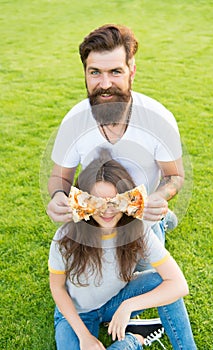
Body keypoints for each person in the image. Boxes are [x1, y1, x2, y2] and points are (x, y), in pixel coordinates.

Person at [47, 24, 184, 246]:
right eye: (95, 73)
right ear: (85, 73)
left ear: (132, 71)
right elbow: (60, 178)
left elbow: (174, 176)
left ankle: (160, 220)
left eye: (115, 72)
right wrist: (58, 197)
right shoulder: (74, 121)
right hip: (96, 220)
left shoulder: (159, 119)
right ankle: (165, 219)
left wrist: (158, 197)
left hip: (139, 218)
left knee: (142, 273)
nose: (105, 84)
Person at [48, 150, 196, 349]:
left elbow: (179, 285)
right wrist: (84, 336)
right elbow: (57, 288)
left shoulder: (137, 230)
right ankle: (134, 340)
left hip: (115, 301)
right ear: (84, 201)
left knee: (161, 279)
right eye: (98, 202)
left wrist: (128, 306)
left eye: (115, 202)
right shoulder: (65, 237)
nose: (108, 211)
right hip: (78, 312)